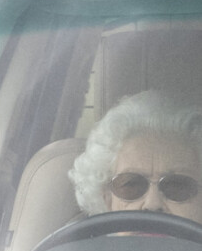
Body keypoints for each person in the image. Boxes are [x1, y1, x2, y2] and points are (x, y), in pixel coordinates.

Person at [69, 90, 202, 224]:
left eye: (177, 187)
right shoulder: (72, 245)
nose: (152, 204)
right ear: (108, 200)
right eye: (131, 186)